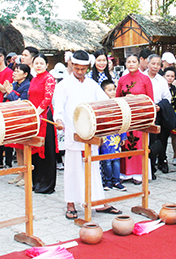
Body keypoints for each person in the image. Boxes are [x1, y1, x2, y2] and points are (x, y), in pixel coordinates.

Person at [53, 50, 122, 220]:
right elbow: (58, 107)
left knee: (92, 166)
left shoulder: (91, 84)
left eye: (83, 69)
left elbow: (103, 102)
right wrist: (59, 120)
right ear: (71, 65)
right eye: (77, 68)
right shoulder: (63, 85)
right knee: (73, 168)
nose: (80, 72)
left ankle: (97, 201)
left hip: (90, 132)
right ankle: (71, 203)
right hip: (72, 131)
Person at [116, 54, 154, 184]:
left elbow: (150, 100)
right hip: (126, 117)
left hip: (140, 116)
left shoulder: (145, 79)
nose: (131, 64)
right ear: (126, 64)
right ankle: (125, 173)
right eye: (128, 62)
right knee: (125, 143)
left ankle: (139, 173)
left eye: (134, 62)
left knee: (138, 144)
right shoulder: (122, 79)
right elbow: (117, 99)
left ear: (139, 63)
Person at [28, 53, 57, 194]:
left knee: (46, 150)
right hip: (34, 117)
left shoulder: (49, 78)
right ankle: (36, 181)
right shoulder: (34, 79)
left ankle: (47, 184)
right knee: (34, 149)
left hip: (45, 117)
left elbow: (47, 99)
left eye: (41, 63)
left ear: (47, 65)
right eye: (36, 63)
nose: (38, 66)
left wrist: (37, 113)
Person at [3, 64, 32, 186]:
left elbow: (23, 104)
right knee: (17, 148)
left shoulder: (27, 85)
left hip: (23, 119)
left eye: (18, 71)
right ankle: (20, 173)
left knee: (24, 148)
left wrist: (10, 92)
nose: (14, 73)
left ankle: (26, 175)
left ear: (25, 74)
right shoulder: (15, 84)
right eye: (14, 71)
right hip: (14, 119)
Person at [145, 54, 174, 176]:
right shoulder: (141, 77)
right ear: (147, 63)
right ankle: (148, 167)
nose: (155, 67)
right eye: (153, 63)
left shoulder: (161, 80)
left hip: (157, 112)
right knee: (146, 141)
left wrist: (159, 106)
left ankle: (158, 162)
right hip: (144, 112)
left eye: (158, 64)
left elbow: (167, 97)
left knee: (158, 139)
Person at [99, 79, 127, 191]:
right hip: (105, 136)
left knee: (116, 160)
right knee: (106, 160)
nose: (112, 92)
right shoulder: (101, 105)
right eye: (109, 90)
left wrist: (123, 135)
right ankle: (107, 181)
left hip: (116, 135)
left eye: (114, 89)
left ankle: (116, 180)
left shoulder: (119, 104)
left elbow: (123, 120)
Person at [164, 67, 176, 166]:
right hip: (163, 113)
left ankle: (175, 156)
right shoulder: (161, 88)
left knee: (175, 135)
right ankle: (162, 156)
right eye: (168, 76)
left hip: (174, 113)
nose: (170, 78)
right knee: (162, 136)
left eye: (172, 76)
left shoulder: (175, 89)